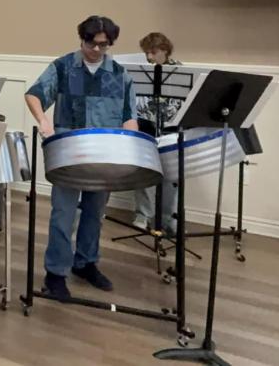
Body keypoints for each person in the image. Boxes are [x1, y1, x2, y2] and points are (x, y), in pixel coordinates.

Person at [25, 15, 137, 301]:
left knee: (94, 213)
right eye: (91, 43)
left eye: (103, 45)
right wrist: (44, 121)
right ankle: (55, 274)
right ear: (82, 39)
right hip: (70, 153)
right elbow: (34, 95)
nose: (96, 50)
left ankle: (86, 263)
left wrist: (130, 141)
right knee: (63, 214)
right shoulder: (63, 67)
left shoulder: (119, 74)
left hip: (104, 153)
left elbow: (129, 116)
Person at [130, 32, 183, 233]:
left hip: (170, 128)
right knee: (143, 172)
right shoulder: (142, 71)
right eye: (147, 53)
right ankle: (143, 214)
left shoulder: (180, 71)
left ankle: (167, 219)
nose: (149, 57)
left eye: (153, 52)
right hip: (145, 125)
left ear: (165, 50)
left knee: (170, 176)